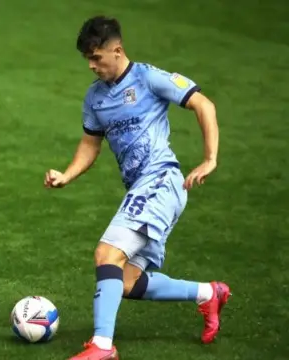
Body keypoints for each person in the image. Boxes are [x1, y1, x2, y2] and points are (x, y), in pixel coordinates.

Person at [44, 16, 230, 360]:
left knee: (106, 253)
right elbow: (90, 143)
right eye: (87, 58)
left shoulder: (148, 77)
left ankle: (102, 346)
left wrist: (210, 158)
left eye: (96, 57)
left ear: (117, 50)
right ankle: (208, 293)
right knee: (127, 282)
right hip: (143, 190)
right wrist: (68, 175)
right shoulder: (95, 98)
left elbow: (203, 104)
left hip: (161, 181)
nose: (91, 65)